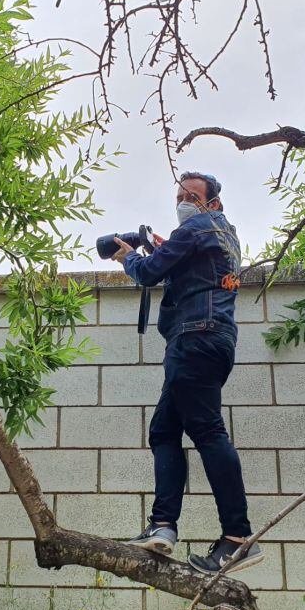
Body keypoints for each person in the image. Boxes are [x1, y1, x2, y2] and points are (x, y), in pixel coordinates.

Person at [110, 171, 261, 575]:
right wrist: (168, 250)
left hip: (194, 338)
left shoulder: (195, 226)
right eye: (179, 194)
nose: (183, 200)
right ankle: (162, 528)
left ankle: (237, 538)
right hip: (210, 339)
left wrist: (128, 256)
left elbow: (146, 273)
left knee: (209, 431)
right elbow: (197, 271)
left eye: (191, 195)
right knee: (163, 430)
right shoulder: (225, 235)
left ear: (213, 202)